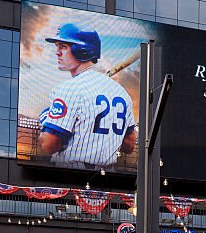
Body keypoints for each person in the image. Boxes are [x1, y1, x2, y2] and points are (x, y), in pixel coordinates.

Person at [37, 23, 137, 169]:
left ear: (82, 50)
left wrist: (47, 120)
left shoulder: (68, 89)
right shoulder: (122, 92)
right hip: (108, 178)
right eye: (57, 46)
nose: (57, 52)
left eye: (63, 46)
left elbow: (48, 146)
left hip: (71, 175)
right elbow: (128, 146)